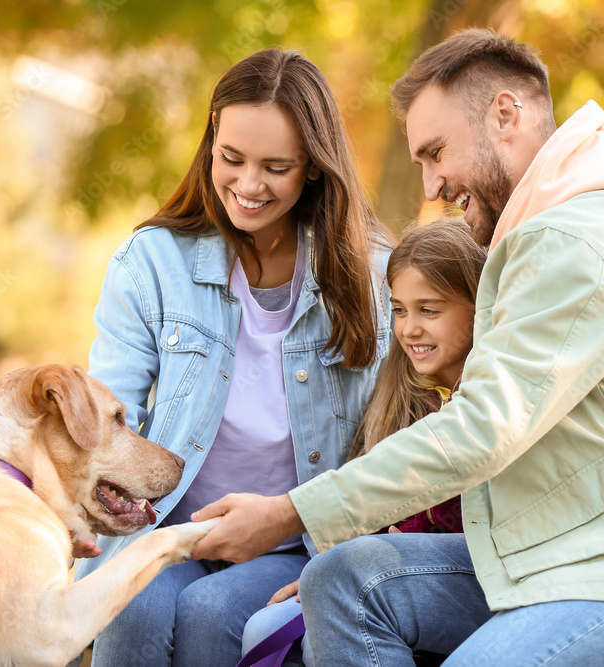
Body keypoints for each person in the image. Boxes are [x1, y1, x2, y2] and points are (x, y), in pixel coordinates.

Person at [190, 29, 604, 666]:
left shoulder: (580, 237)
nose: (431, 184)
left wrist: (290, 512)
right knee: (344, 581)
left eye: (437, 152)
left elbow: (482, 429)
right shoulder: (541, 234)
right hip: (563, 558)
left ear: (505, 114)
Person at [73, 48, 392, 666]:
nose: (248, 186)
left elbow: (392, 438)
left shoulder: (371, 276)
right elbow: (108, 417)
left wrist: (343, 553)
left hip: (298, 539)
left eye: (277, 167)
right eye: (232, 159)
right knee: (130, 602)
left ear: (315, 170)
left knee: (213, 612)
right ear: (210, 147)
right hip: (173, 528)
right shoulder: (153, 263)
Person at [237, 218, 485, 667]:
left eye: (429, 310)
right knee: (266, 628)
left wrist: (354, 570)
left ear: (479, 306)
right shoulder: (401, 394)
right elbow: (372, 504)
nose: (409, 329)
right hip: (380, 567)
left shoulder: (493, 401)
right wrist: (322, 580)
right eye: (400, 310)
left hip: (462, 578)